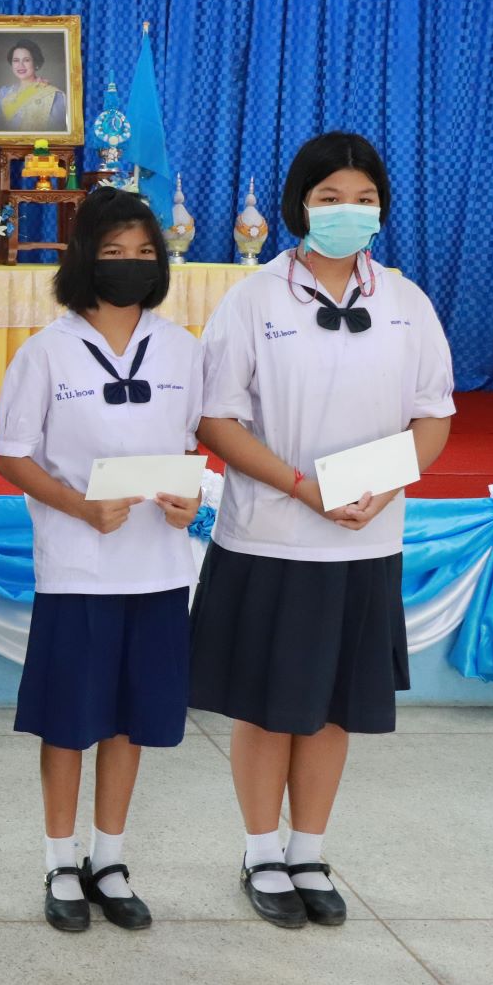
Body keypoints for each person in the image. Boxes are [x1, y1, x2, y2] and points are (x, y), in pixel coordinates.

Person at [190, 132, 454, 929]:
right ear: (299, 205)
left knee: (335, 707)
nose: (348, 212)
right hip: (271, 536)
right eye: (330, 198)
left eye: (364, 199)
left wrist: (388, 483)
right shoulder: (253, 300)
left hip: (366, 540)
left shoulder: (406, 301)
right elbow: (215, 419)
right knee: (269, 707)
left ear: (382, 208)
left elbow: (433, 415)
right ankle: (260, 851)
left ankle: (308, 849)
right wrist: (302, 489)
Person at [0, 188, 203, 933]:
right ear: (85, 257)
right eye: (114, 252)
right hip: (79, 569)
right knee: (69, 721)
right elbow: (12, 456)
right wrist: (80, 506)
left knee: (130, 721)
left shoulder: (183, 350)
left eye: (144, 252)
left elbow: (190, 448)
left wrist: (188, 501)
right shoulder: (46, 352)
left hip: (158, 570)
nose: (130, 264)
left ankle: (108, 859)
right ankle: (60, 860)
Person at [0, 38, 69, 133]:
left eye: (26, 60)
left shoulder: (53, 95)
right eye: (16, 60)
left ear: (35, 63)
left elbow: (57, 132)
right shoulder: (4, 93)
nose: (20, 65)